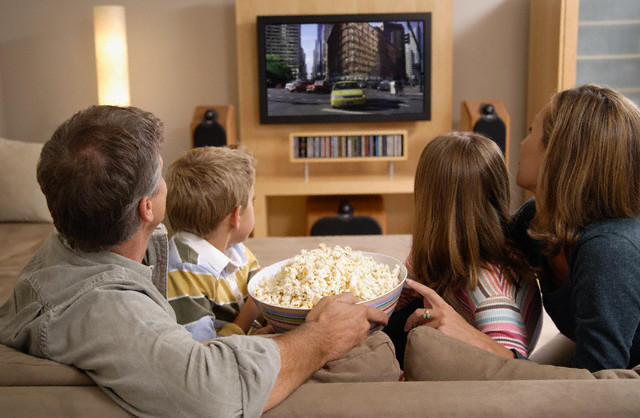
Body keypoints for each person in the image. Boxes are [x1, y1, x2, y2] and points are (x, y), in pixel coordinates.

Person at [0, 105, 389, 416]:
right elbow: (214, 390)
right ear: (147, 207)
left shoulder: (71, 241)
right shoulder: (107, 310)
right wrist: (321, 338)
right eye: (160, 175)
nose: (167, 183)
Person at [509, 84, 640, 371]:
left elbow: (597, 383)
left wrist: (491, 351)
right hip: (590, 353)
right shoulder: (535, 218)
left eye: (531, 131)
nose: (522, 143)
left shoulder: (609, 250)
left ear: (559, 155)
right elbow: (483, 257)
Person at [384, 132, 542, 366]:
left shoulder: (491, 295)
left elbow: (516, 371)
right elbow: (403, 293)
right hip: (449, 306)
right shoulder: (436, 251)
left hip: (471, 362)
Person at [165, 146, 264, 339]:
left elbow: (258, 289)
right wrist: (251, 311)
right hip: (226, 350)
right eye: (252, 201)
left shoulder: (235, 248)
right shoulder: (184, 272)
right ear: (235, 216)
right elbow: (203, 348)